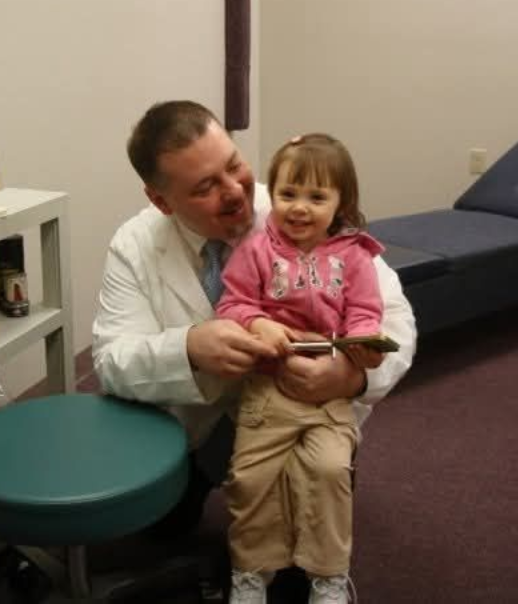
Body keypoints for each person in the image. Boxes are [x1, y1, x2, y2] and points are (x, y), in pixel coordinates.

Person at [92, 99, 416, 591]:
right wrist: (190, 348)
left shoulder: (298, 204)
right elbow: (111, 361)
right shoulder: (134, 245)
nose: (234, 194)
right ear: (162, 201)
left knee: (296, 567)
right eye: (205, 187)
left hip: (306, 409)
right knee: (163, 527)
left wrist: (354, 375)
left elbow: (395, 316)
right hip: (199, 425)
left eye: (234, 166)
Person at [217, 133, 387, 603]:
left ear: (340, 203)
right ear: (271, 195)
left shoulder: (355, 256)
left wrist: (365, 345)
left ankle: (329, 575)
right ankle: (251, 573)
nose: (299, 208)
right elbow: (231, 303)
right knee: (250, 479)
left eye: (317, 197)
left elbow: (364, 312)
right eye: (288, 194)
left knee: (330, 471)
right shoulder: (255, 250)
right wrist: (256, 321)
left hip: (329, 392)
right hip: (269, 389)